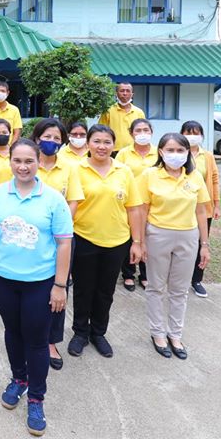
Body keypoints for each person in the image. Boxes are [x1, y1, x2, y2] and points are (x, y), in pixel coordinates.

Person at [0, 138, 73, 437]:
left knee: (36, 340)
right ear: (10, 163)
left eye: (29, 161)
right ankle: (19, 379)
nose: (23, 166)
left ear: (38, 163)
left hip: (40, 284)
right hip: (4, 280)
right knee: (12, 332)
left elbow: (64, 242)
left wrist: (60, 285)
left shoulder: (53, 199)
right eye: (17, 161)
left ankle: (36, 398)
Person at [66, 124, 142, 361]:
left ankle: (99, 332)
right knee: (83, 289)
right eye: (97, 141)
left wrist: (137, 242)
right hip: (84, 237)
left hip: (117, 240)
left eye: (107, 142)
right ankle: (80, 332)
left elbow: (134, 208)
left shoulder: (124, 171)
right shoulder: (76, 170)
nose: (102, 146)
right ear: (88, 144)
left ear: (113, 145)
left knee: (105, 291)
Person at [135, 133, 211, 360]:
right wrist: (140, 241)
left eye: (180, 150)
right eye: (170, 150)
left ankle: (175, 335)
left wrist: (204, 245)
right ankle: (158, 333)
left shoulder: (194, 176)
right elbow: (142, 210)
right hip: (158, 234)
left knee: (180, 289)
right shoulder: (150, 175)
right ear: (160, 152)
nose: (175, 155)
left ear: (188, 153)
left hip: (188, 237)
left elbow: (201, 211)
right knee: (156, 286)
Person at [32, 118, 84, 370]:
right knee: (30, 288)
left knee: (58, 287)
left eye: (56, 138)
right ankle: (29, 336)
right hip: (30, 239)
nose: (51, 142)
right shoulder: (27, 163)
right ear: (37, 138)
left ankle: (51, 342)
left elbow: (73, 200)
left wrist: (59, 227)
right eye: (46, 136)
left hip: (60, 239)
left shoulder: (70, 167)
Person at [115, 118, 158, 291]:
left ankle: (146, 274)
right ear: (131, 133)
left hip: (153, 203)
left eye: (146, 130)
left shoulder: (158, 152)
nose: (142, 134)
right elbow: (116, 175)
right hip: (130, 204)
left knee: (149, 238)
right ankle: (128, 274)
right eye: (138, 131)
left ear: (151, 132)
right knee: (131, 237)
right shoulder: (124, 154)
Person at [181, 121, 221, 298]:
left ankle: (196, 280)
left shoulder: (208, 156)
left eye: (195, 133)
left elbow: (214, 179)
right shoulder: (178, 152)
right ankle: (179, 279)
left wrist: (217, 204)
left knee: (201, 243)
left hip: (204, 207)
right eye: (188, 132)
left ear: (202, 135)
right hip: (182, 206)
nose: (192, 136)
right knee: (182, 243)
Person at [98, 83, 146, 152]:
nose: (125, 93)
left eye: (128, 91)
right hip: (113, 151)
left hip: (133, 151)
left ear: (132, 94)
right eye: (122, 91)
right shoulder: (108, 111)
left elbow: (143, 133)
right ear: (116, 94)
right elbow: (101, 131)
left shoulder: (139, 112)